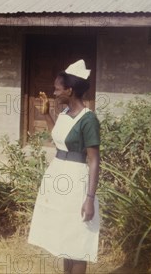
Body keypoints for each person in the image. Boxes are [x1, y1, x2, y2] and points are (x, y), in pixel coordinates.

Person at [28, 59, 101, 274]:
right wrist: (46, 114)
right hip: (58, 173)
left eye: (58, 89)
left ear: (69, 90)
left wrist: (89, 199)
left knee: (77, 238)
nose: (54, 92)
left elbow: (94, 159)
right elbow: (58, 138)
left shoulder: (88, 120)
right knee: (64, 235)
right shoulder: (64, 114)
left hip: (76, 178)